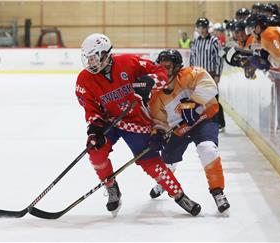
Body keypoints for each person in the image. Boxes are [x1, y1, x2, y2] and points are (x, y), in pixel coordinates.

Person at [75, 33, 201, 217]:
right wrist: (95, 130)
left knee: (150, 161)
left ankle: (179, 195)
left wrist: (149, 81)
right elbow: (91, 108)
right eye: (88, 58)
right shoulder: (84, 79)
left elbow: (160, 72)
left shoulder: (129, 62)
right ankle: (111, 187)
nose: (90, 62)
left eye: (94, 57)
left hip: (136, 121)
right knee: (95, 152)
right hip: (109, 121)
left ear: (105, 54)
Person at [146, 49, 230, 214]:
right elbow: (159, 121)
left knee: (207, 148)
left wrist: (193, 103)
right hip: (181, 127)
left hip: (205, 119)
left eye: (168, 67)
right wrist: (158, 134)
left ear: (177, 67)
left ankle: (218, 192)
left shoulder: (191, 74)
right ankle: (166, 182)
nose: (164, 71)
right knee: (167, 158)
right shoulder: (156, 95)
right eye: (161, 67)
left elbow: (210, 86)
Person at [190, 17, 225, 132]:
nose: (201, 30)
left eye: (203, 27)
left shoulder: (214, 41)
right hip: (198, 75)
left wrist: (218, 75)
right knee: (200, 99)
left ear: (207, 28)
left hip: (210, 74)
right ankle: (203, 121)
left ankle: (219, 123)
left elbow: (220, 58)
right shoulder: (195, 42)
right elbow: (192, 58)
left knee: (213, 98)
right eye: (199, 27)